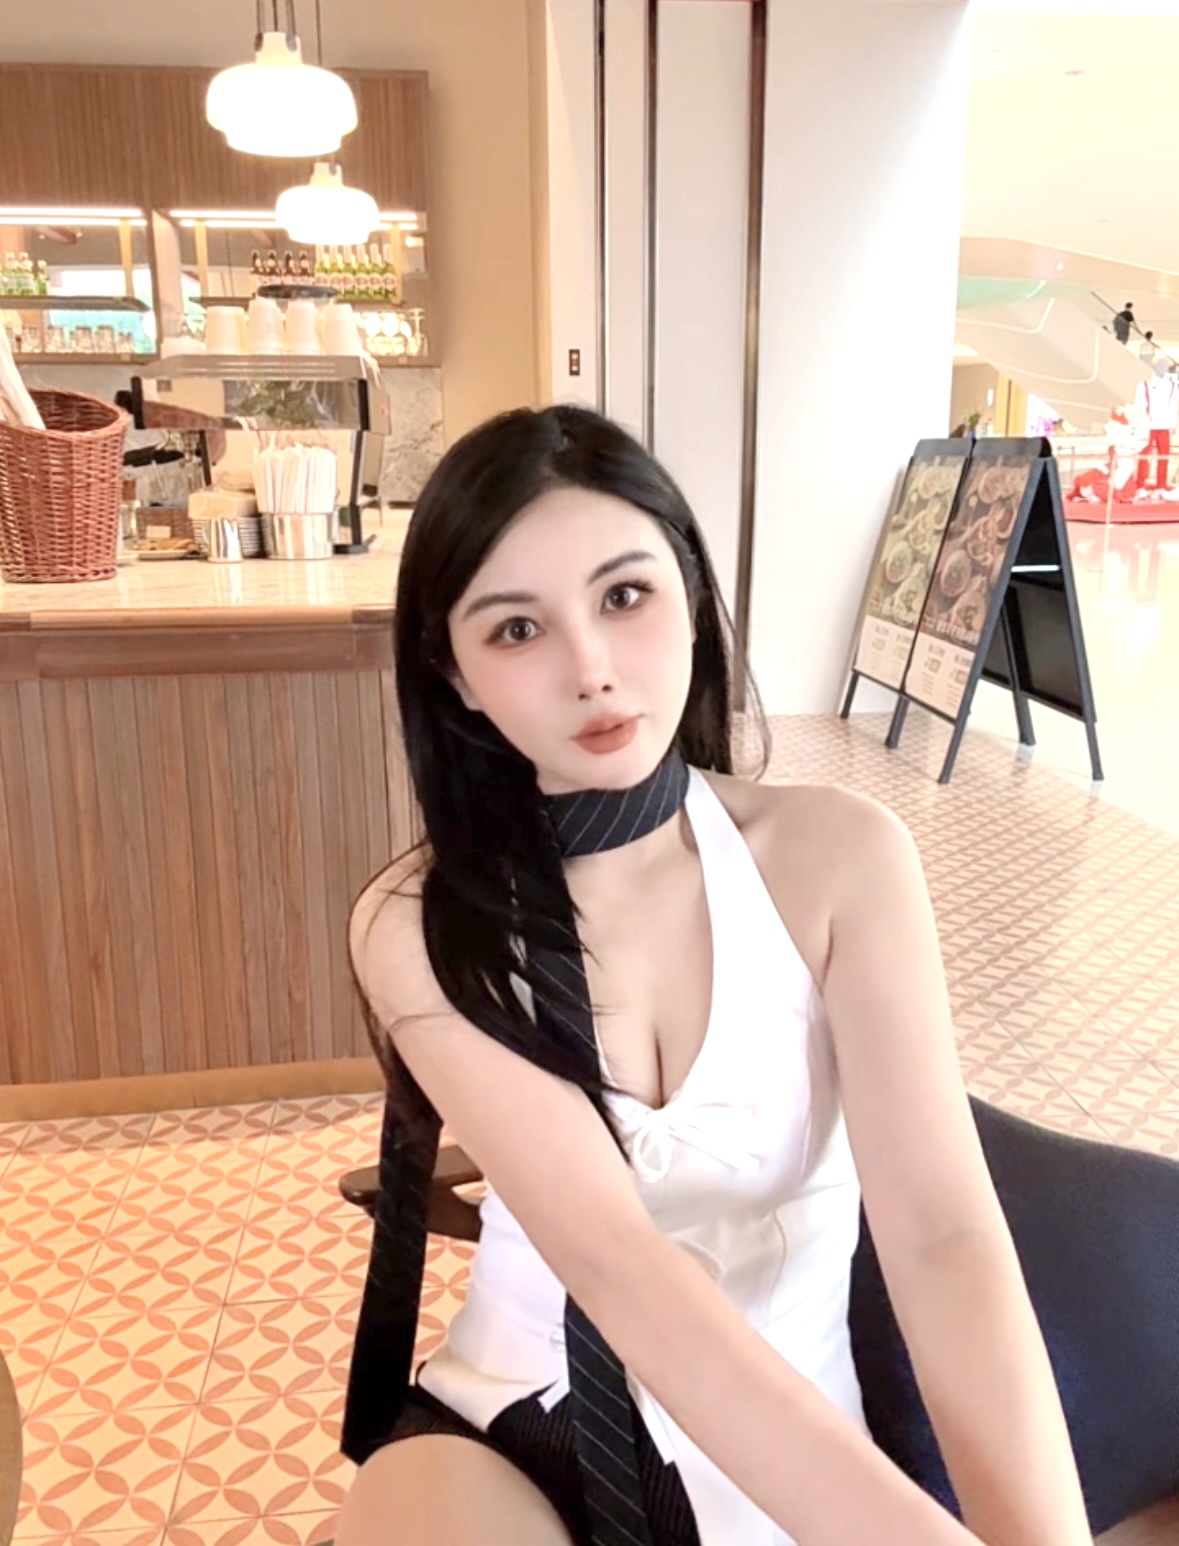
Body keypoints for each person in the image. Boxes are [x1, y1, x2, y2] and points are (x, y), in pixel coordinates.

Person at [338, 406, 1092, 1546]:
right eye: (517, 629)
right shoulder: (416, 924)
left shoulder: (840, 859)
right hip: (527, 1413)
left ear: (690, 590)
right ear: (455, 673)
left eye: (624, 596)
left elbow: (942, 1234)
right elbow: (621, 1270)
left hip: (805, 1429)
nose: (592, 670)